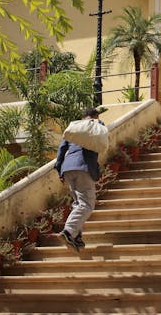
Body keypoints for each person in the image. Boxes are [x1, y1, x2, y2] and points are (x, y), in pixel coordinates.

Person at [54, 108, 104, 252]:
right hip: (84, 167)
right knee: (87, 204)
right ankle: (68, 231)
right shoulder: (95, 124)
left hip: (68, 168)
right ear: (95, 116)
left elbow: (62, 149)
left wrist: (59, 170)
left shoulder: (73, 128)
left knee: (78, 203)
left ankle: (76, 237)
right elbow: (101, 137)